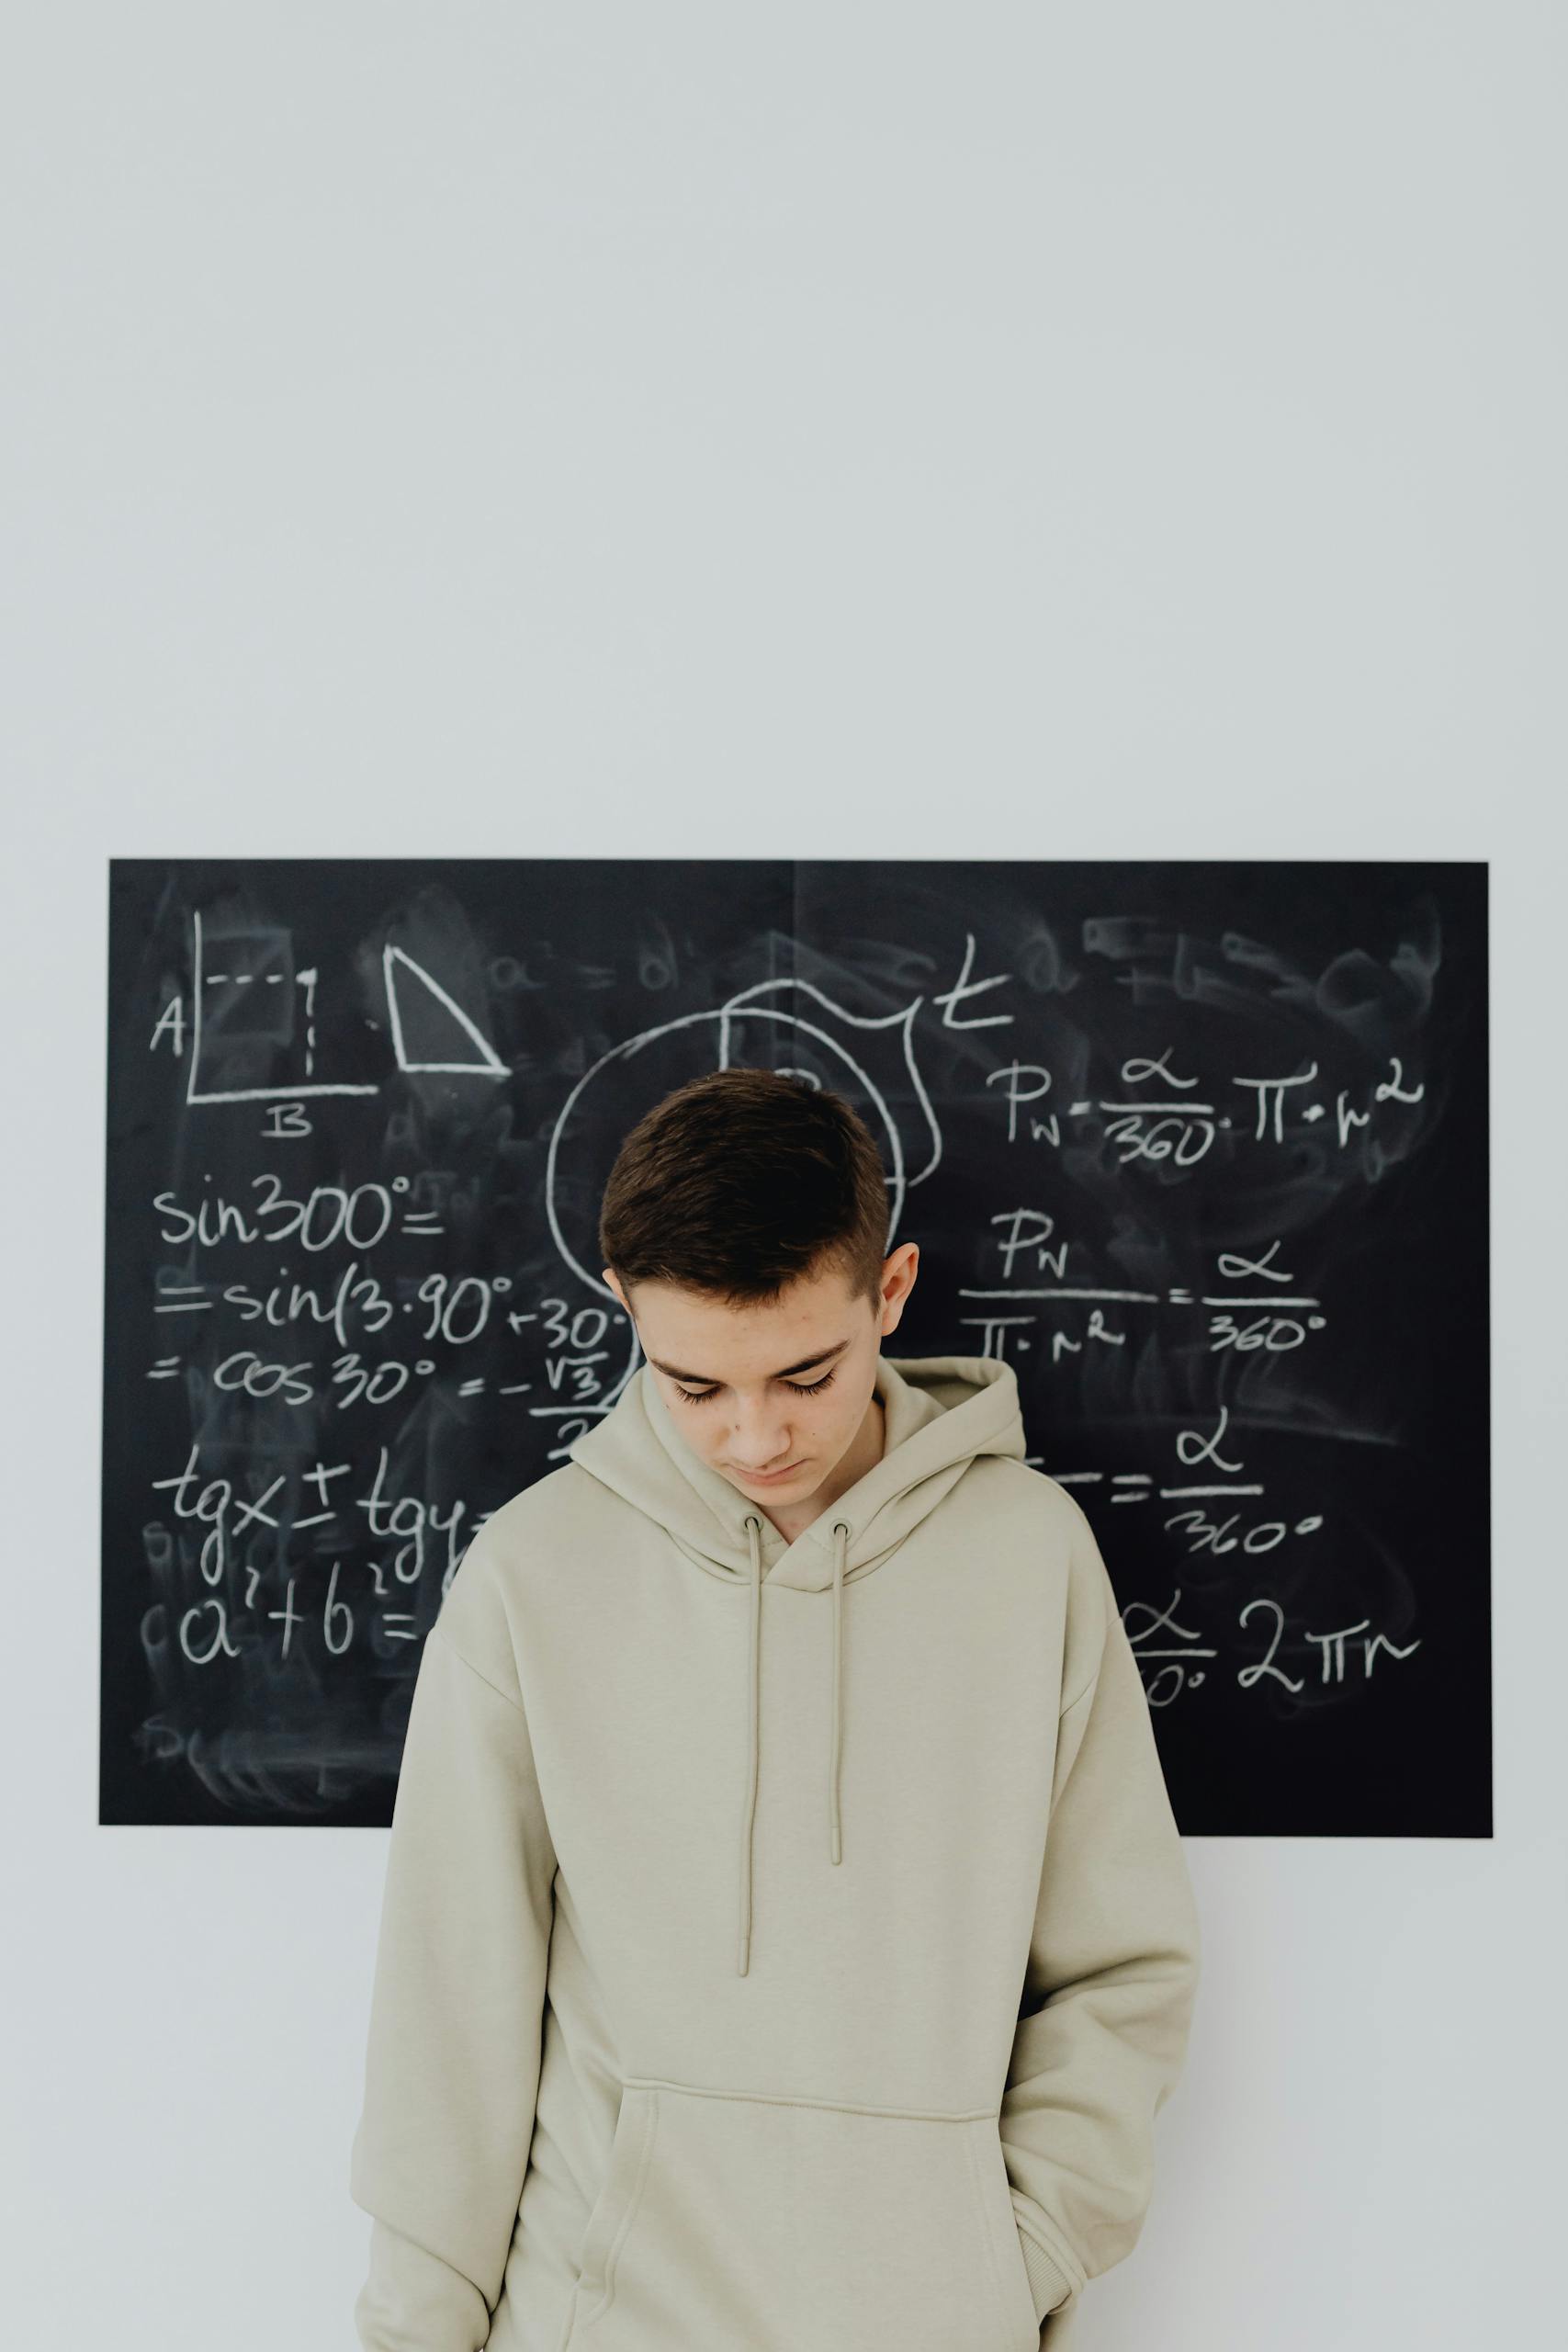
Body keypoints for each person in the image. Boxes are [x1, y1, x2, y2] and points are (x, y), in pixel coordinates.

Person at [349, 1067, 1201, 2351]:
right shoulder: (535, 1574)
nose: (755, 1437)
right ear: (626, 1310)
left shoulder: (1030, 1560)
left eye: (806, 1374)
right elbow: (449, 2005)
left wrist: (1003, 2257)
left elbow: (1120, 1969)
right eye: (695, 1387)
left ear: (892, 1292)